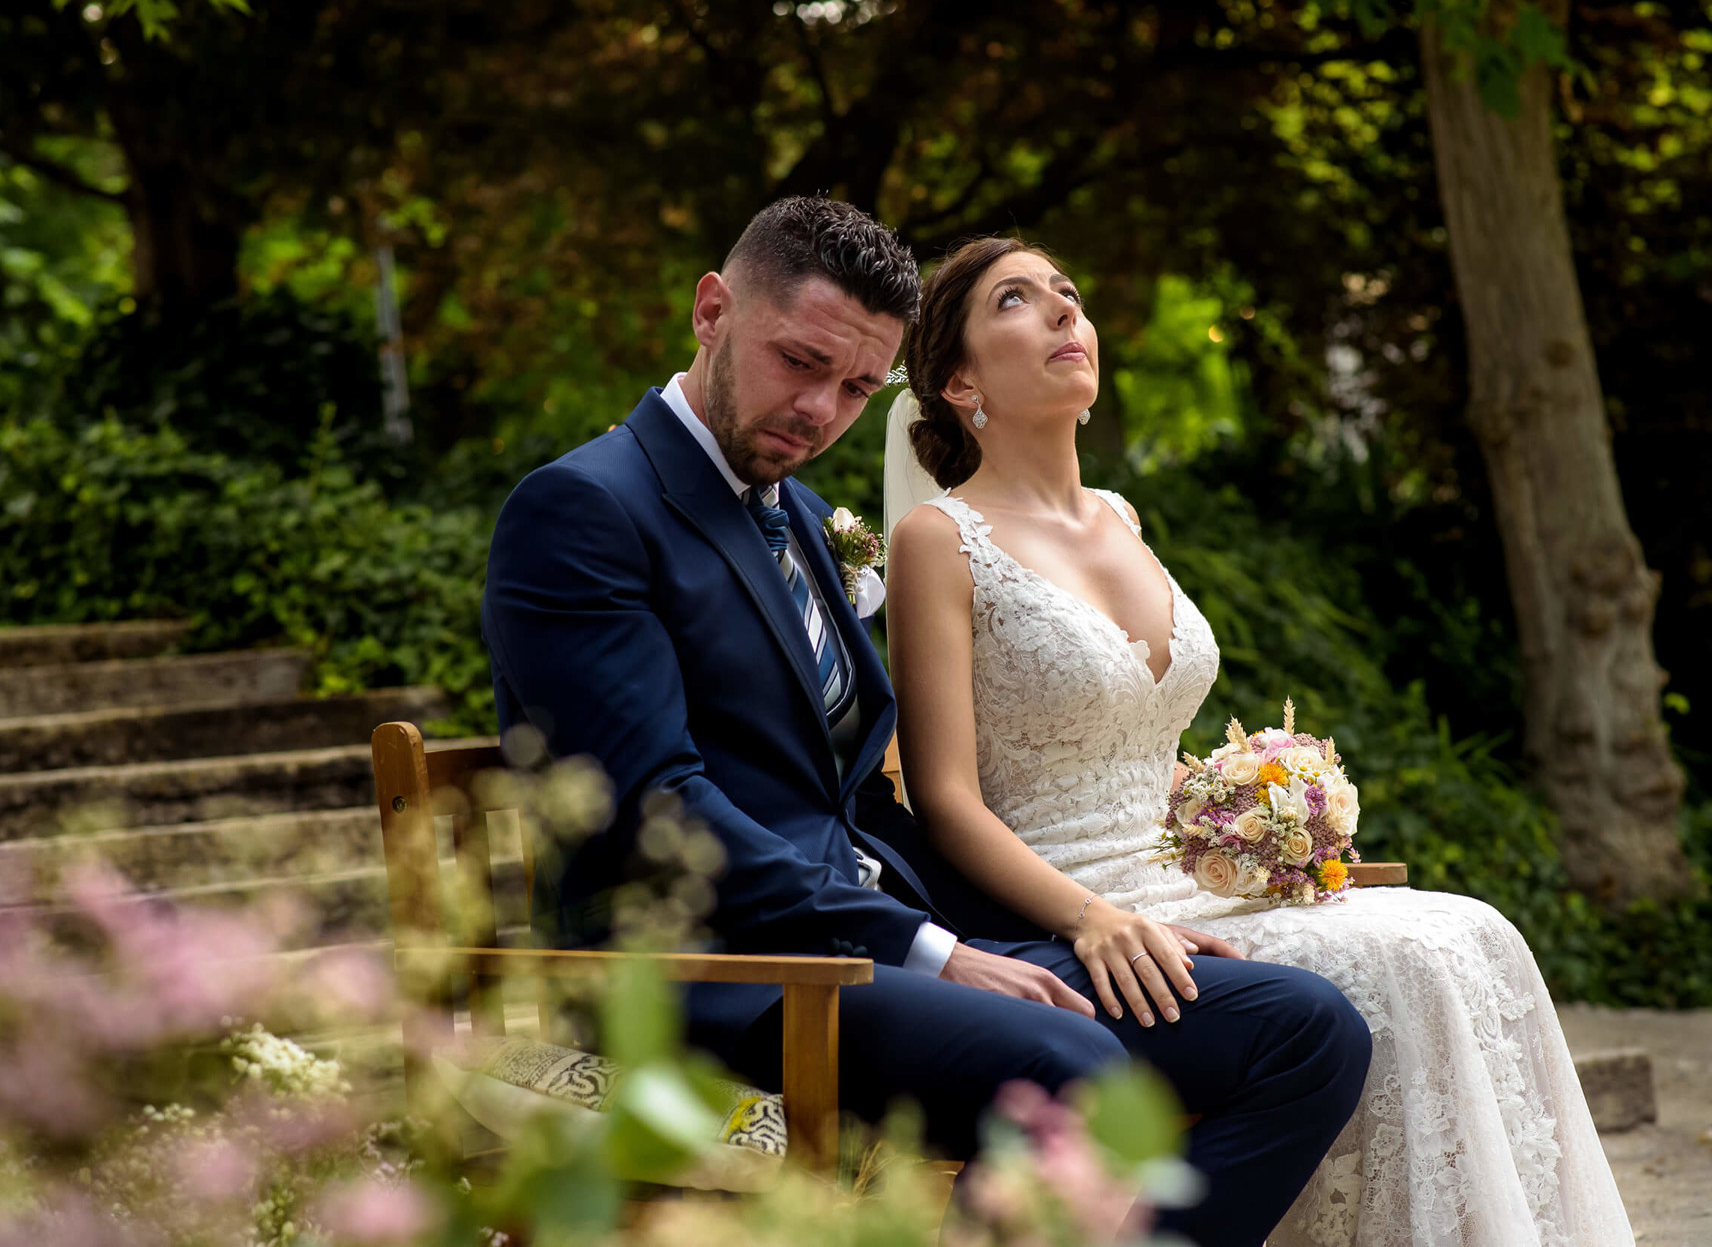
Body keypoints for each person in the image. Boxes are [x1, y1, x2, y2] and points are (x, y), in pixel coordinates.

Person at [482, 197, 1370, 1247]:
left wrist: (1076, 921)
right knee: (1068, 1062)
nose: (820, 409)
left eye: (857, 386)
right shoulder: (587, 509)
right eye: (799, 361)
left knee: (1301, 1030)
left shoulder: (807, 519)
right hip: (712, 976)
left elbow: (856, 797)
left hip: (866, 946)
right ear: (710, 310)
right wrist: (930, 948)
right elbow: (652, 809)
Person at [882, 234, 1637, 1247]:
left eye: (1069, 290)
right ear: (959, 378)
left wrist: (1253, 814)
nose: (1064, 310)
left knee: (1470, 932)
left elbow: (1137, 736)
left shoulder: (1121, 515)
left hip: (1198, 885)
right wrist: (1093, 917)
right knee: (1407, 967)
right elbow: (946, 798)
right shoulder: (939, 539)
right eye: (1017, 300)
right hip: (1076, 906)